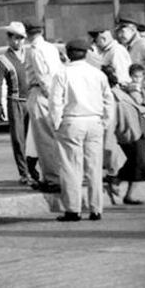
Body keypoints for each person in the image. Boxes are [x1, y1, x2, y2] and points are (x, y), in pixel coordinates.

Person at [52, 39, 113, 222]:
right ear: (86, 54)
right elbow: (108, 100)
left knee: (71, 167)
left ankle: (73, 209)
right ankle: (96, 209)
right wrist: (105, 122)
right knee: (94, 167)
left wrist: (56, 123)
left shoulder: (62, 73)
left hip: (72, 121)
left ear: (67, 54)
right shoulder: (98, 74)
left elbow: (55, 102)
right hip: (94, 121)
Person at [0, 21, 36, 185]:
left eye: (21, 38)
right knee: (19, 139)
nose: (18, 42)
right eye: (15, 38)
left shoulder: (30, 55)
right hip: (15, 102)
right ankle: (24, 173)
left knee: (33, 138)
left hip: (31, 100)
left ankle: (32, 168)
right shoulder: (4, 60)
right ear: (9, 39)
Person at [24, 20, 63, 193]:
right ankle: (54, 175)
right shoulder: (50, 47)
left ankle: (52, 178)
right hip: (54, 92)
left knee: (44, 139)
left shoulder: (35, 50)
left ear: (27, 33)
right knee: (53, 136)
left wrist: (49, 95)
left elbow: (42, 76)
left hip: (41, 92)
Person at [104, 64, 145, 206]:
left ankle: (123, 188)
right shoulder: (113, 95)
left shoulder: (120, 91)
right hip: (129, 132)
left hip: (136, 129)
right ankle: (115, 181)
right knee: (140, 162)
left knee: (137, 163)